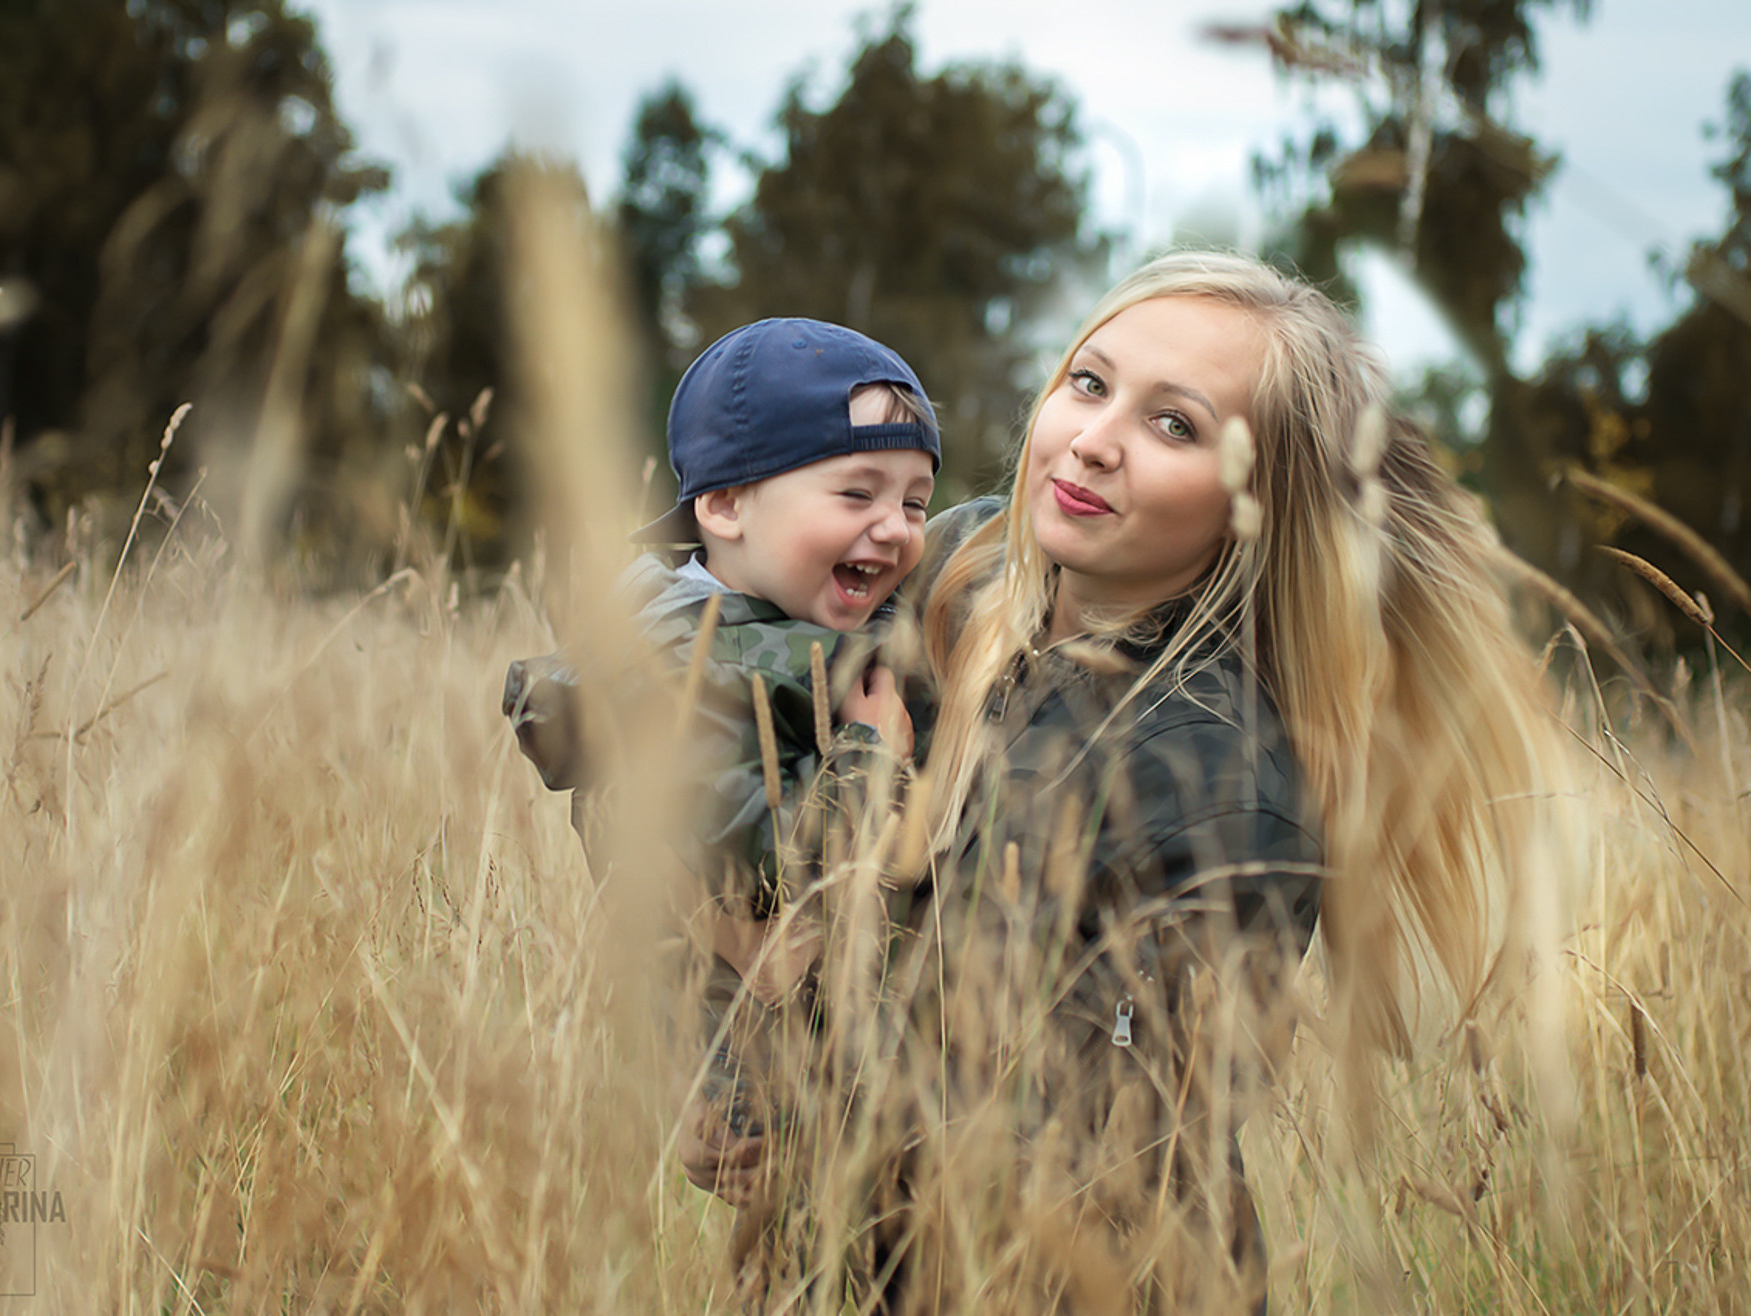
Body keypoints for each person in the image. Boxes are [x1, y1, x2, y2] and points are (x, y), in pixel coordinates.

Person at [678, 252, 1575, 1314]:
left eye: (1176, 425)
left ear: (1258, 499)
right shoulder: (962, 574)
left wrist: (794, 1098)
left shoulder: (1211, 782)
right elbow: (703, 646)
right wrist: (722, 1055)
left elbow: (1051, 1149)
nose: (1093, 440)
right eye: (1091, 382)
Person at [504, 316, 939, 1140]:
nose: (895, 528)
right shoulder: (685, 673)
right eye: (857, 493)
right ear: (727, 504)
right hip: (778, 1096)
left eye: (916, 502)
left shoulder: (757, 621)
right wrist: (872, 752)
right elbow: (771, 884)